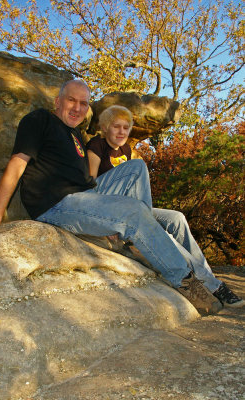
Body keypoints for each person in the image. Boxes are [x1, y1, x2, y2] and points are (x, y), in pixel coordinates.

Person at [0, 80, 241, 315]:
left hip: (88, 196)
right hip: (58, 204)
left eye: (84, 103)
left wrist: (109, 207)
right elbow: (17, 163)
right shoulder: (40, 120)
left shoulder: (75, 135)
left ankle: (181, 264)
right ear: (58, 101)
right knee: (133, 212)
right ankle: (183, 279)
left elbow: (90, 183)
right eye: (71, 100)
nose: (77, 108)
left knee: (167, 208)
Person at [86, 105, 244, 309]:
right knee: (164, 236)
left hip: (131, 206)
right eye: (116, 127)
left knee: (176, 218)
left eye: (126, 128)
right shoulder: (96, 146)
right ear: (106, 127)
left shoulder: (125, 150)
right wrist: (105, 223)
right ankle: (214, 286)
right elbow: (91, 184)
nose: (122, 132)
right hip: (112, 210)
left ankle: (207, 276)